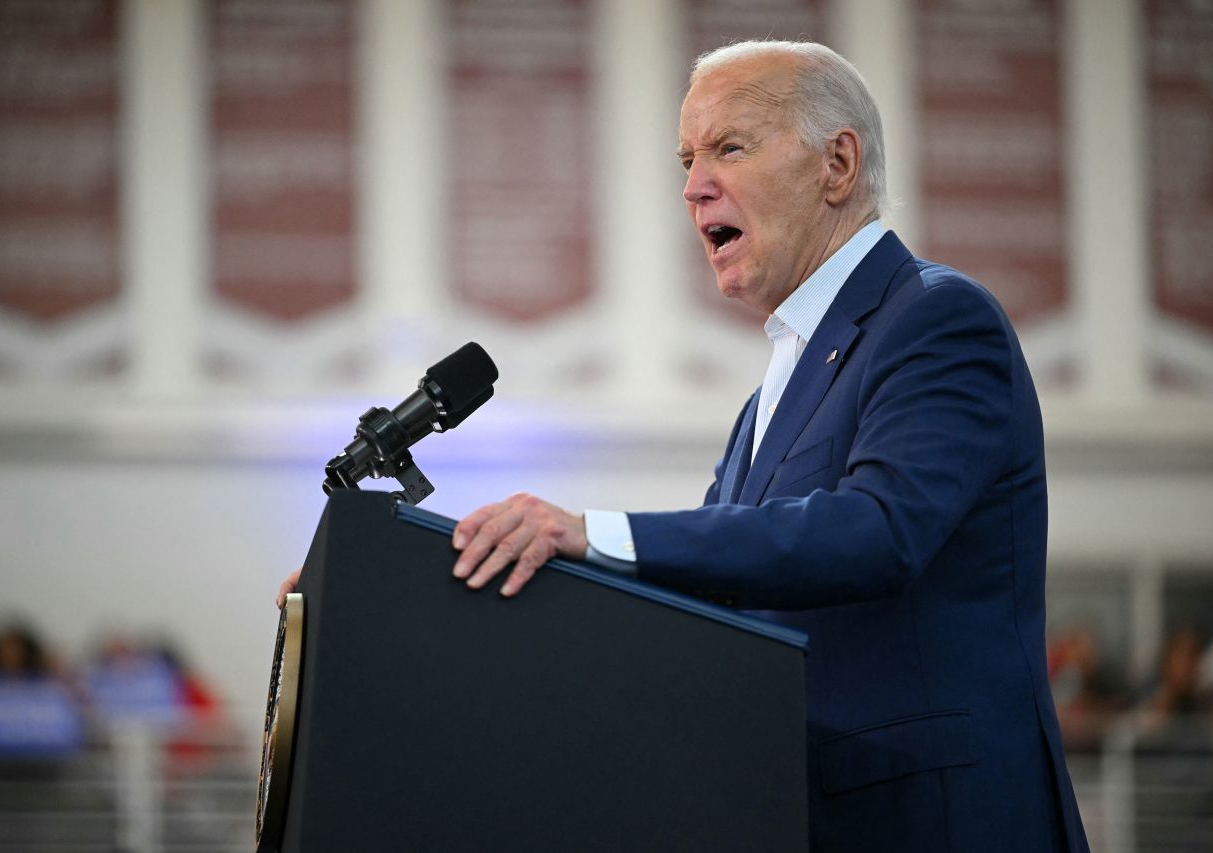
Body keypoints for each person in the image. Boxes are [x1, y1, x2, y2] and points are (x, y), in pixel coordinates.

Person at [281, 39, 1088, 852]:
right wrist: (407, 595)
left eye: (729, 147)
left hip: (938, 822)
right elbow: (694, 615)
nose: (694, 185)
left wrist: (588, 530)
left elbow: (878, 531)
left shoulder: (937, 318)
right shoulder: (763, 404)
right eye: (687, 159)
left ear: (836, 164)